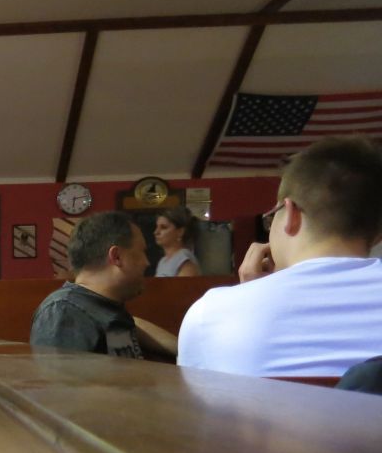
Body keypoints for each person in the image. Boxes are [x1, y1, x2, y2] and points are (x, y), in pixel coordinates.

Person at [178, 136, 382, 377]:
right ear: (377, 234)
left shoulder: (209, 315)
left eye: (273, 213)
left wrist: (248, 295)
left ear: (291, 214)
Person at [30, 210, 177, 359]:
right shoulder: (64, 311)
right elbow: (59, 374)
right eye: (142, 252)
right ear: (116, 256)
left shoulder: (99, 309)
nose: (147, 262)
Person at [153, 206, 202, 277]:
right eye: (157, 227)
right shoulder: (163, 261)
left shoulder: (184, 260)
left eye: (163, 227)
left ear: (180, 232)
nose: (156, 232)